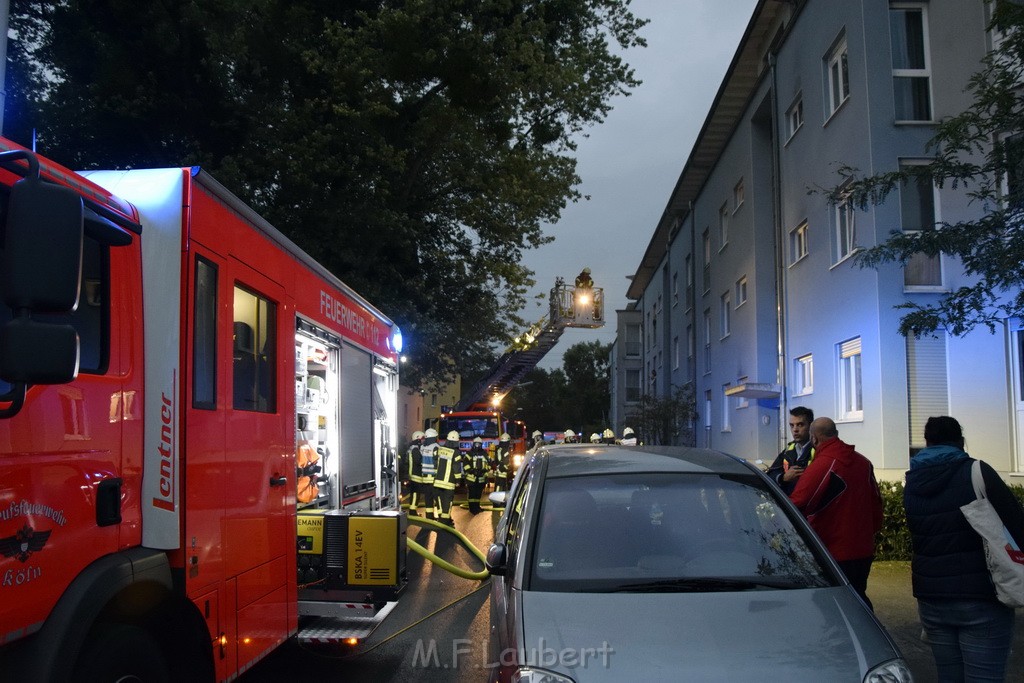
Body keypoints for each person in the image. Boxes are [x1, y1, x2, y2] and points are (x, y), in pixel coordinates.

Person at [904, 416, 1024, 681]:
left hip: (932, 599)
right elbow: (1016, 523)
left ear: (927, 442)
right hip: (981, 597)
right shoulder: (977, 471)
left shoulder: (912, 481)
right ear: (960, 441)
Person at [790, 417, 883, 609]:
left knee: (833, 606)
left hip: (833, 549)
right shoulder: (863, 462)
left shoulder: (823, 465)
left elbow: (798, 503)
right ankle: (867, 635)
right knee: (858, 599)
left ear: (814, 438)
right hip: (862, 549)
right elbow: (876, 503)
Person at [766, 406, 816, 495]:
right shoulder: (789, 450)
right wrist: (783, 478)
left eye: (800, 425)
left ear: (811, 426)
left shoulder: (818, 450)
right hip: (790, 504)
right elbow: (770, 475)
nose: (795, 430)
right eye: (792, 425)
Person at [432, 430, 462, 527]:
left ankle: (441, 518)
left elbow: (435, 463)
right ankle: (446, 521)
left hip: (438, 481)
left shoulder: (439, 449)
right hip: (449, 482)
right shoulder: (456, 452)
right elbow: (456, 468)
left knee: (439, 499)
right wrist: (458, 480)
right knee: (447, 501)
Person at [416, 428, 439, 519]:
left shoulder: (422, 447)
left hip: (425, 478)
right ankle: (442, 518)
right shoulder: (436, 447)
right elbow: (437, 462)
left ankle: (429, 517)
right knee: (437, 499)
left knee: (428, 499)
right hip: (434, 477)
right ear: (434, 437)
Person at [464, 437, 490, 513]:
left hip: (481, 478)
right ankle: (472, 508)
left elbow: (489, 464)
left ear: (481, 445)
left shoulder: (485, 453)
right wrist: (471, 470)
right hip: (471, 478)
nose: (477, 445)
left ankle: (477, 506)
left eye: (479, 444)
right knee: (472, 494)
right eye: (476, 444)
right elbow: (465, 464)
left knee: (478, 494)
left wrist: (485, 470)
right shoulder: (469, 454)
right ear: (474, 444)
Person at [403, 430, 425, 511]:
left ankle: (413, 510)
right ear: (418, 439)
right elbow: (418, 461)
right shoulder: (415, 449)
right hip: (416, 474)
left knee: (414, 493)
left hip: (413, 474)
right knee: (416, 494)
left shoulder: (412, 448)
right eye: (422, 439)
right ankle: (412, 511)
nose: (423, 441)